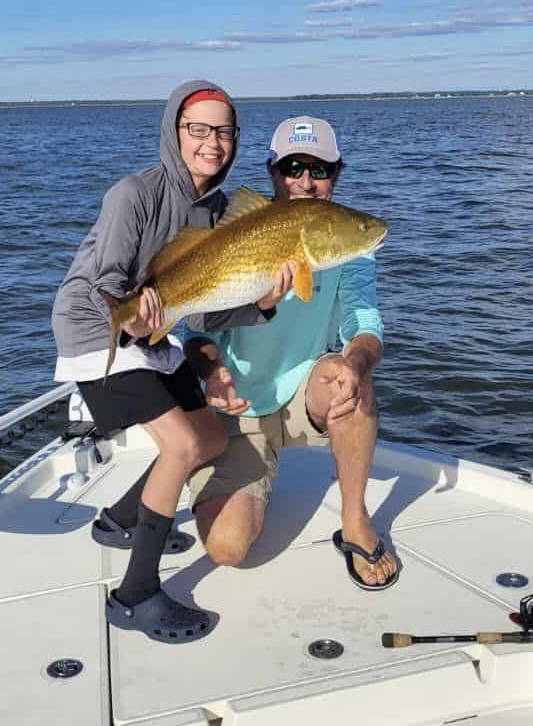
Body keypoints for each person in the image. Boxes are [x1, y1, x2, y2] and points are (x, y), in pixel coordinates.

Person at [51, 81, 276, 643]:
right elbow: (108, 281)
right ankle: (135, 595)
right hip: (95, 330)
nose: (211, 142)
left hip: (153, 333)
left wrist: (263, 305)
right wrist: (132, 321)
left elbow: (204, 314)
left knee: (209, 438)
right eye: (198, 129)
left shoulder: (220, 212)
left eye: (223, 131)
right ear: (174, 131)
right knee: (179, 446)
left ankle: (120, 520)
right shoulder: (133, 194)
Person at [184, 116, 398, 590]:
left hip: (304, 390)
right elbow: (194, 328)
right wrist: (211, 369)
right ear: (273, 172)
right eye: (293, 167)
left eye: (319, 169)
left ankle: (355, 520)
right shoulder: (228, 232)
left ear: (336, 175)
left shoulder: (349, 242)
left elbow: (363, 321)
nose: (305, 180)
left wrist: (357, 362)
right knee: (227, 549)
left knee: (350, 376)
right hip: (237, 408)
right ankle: (243, 473)